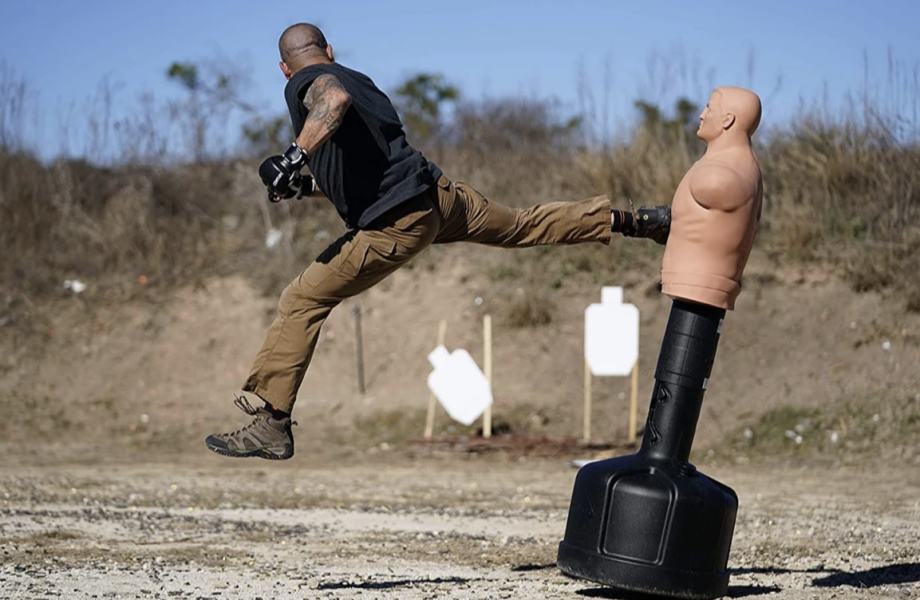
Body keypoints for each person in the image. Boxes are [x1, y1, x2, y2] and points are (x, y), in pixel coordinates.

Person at [205, 23, 670, 460]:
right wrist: (303, 185)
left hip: (396, 223)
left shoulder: (309, 83)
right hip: (439, 199)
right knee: (522, 225)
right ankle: (635, 220)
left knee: (301, 299)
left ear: (285, 69)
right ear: (330, 49)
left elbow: (331, 99)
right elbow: (368, 170)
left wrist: (293, 156)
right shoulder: (360, 81)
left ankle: (272, 424)